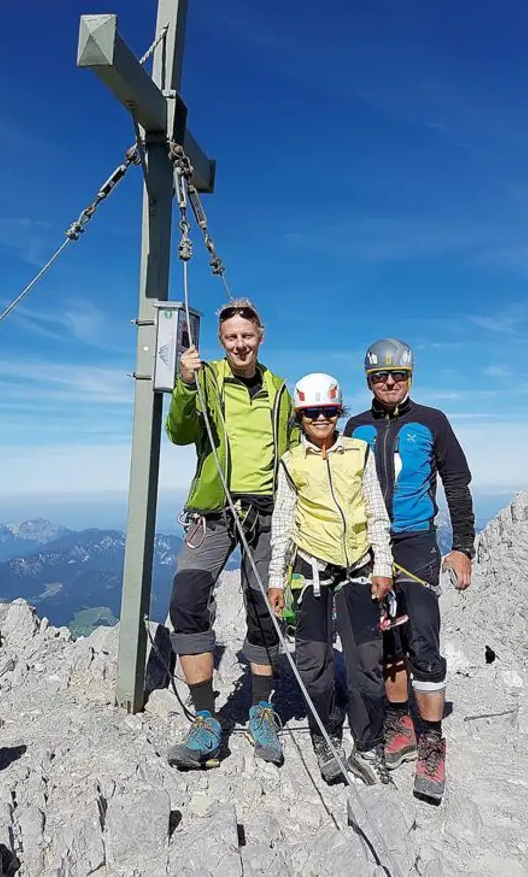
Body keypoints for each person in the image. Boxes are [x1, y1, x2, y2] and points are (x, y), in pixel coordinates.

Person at [163, 298, 297, 771]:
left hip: (265, 513)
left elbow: (295, 452)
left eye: (247, 335)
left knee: (265, 608)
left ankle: (261, 708)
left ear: (260, 335)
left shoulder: (281, 393)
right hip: (215, 512)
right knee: (186, 598)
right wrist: (184, 384)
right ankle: (206, 719)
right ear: (222, 343)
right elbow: (178, 434)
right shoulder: (207, 380)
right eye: (231, 338)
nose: (240, 344)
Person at [345, 338, 475, 802]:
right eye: (380, 377)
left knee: (423, 634)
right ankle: (399, 722)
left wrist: (462, 547)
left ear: (409, 377)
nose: (389, 383)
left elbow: (456, 483)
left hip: (416, 541)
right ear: (369, 381)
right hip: (368, 544)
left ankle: (433, 741)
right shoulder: (355, 427)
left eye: (397, 376)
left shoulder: (432, 421)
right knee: (385, 637)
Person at [265, 372, 396, 786]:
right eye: (311, 413)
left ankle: (367, 744)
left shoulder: (359, 452)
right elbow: (284, 522)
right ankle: (325, 734)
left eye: (328, 411)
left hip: (358, 566)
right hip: (311, 570)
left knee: (367, 664)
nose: (320, 418)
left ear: (339, 412)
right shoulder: (292, 462)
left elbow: (376, 511)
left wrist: (383, 565)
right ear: (302, 416)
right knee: (314, 663)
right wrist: (276, 579)